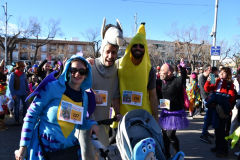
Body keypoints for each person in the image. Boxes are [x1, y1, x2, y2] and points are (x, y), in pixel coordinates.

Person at [15, 55, 99, 160]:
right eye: (74, 70)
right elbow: (31, 115)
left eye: (82, 71)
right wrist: (23, 147)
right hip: (44, 147)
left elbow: (79, 123)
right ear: (68, 70)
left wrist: (92, 124)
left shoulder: (84, 97)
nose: (77, 74)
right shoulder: (51, 87)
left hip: (68, 150)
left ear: (86, 75)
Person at [79, 17, 123, 160]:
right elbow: (77, 87)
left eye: (114, 53)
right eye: (108, 51)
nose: (110, 56)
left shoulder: (115, 71)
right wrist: (92, 91)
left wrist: (118, 113)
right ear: (102, 50)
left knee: (102, 156)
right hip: (85, 125)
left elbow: (115, 96)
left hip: (103, 126)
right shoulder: (90, 66)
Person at [111, 23, 158, 128]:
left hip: (142, 119)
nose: (138, 48)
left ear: (145, 48)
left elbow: (153, 96)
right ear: (130, 47)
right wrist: (91, 63)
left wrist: (156, 118)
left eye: (141, 46)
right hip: (121, 118)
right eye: (135, 45)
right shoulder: (118, 64)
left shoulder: (149, 69)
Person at [158, 60, 189, 159]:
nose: (160, 72)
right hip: (165, 112)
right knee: (164, 135)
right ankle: (166, 154)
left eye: (162, 70)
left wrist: (182, 68)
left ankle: (178, 153)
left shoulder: (177, 81)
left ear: (169, 72)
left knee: (170, 134)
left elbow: (183, 77)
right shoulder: (162, 82)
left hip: (175, 113)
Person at [204, 67, 235, 157]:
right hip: (215, 109)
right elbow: (207, 89)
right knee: (216, 129)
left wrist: (219, 98)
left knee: (221, 130)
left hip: (223, 110)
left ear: (228, 74)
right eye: (220, 72)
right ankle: (218, 146)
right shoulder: (216, 81)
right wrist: (208, 81)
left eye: (224, 72)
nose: (221, 74)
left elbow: (231, 97)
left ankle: (224, 149)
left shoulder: (229, 84)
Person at [199, 64, 214, 144]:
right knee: (207, 116)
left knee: (209, 116)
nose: (210, 71)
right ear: (205, 70)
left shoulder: (211, 76)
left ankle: (206, 131)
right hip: (206, 98)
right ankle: (203, 134)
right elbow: (204, 91)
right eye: (209, 70)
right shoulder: (201, 78)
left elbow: (213, 87)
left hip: (211, 97)